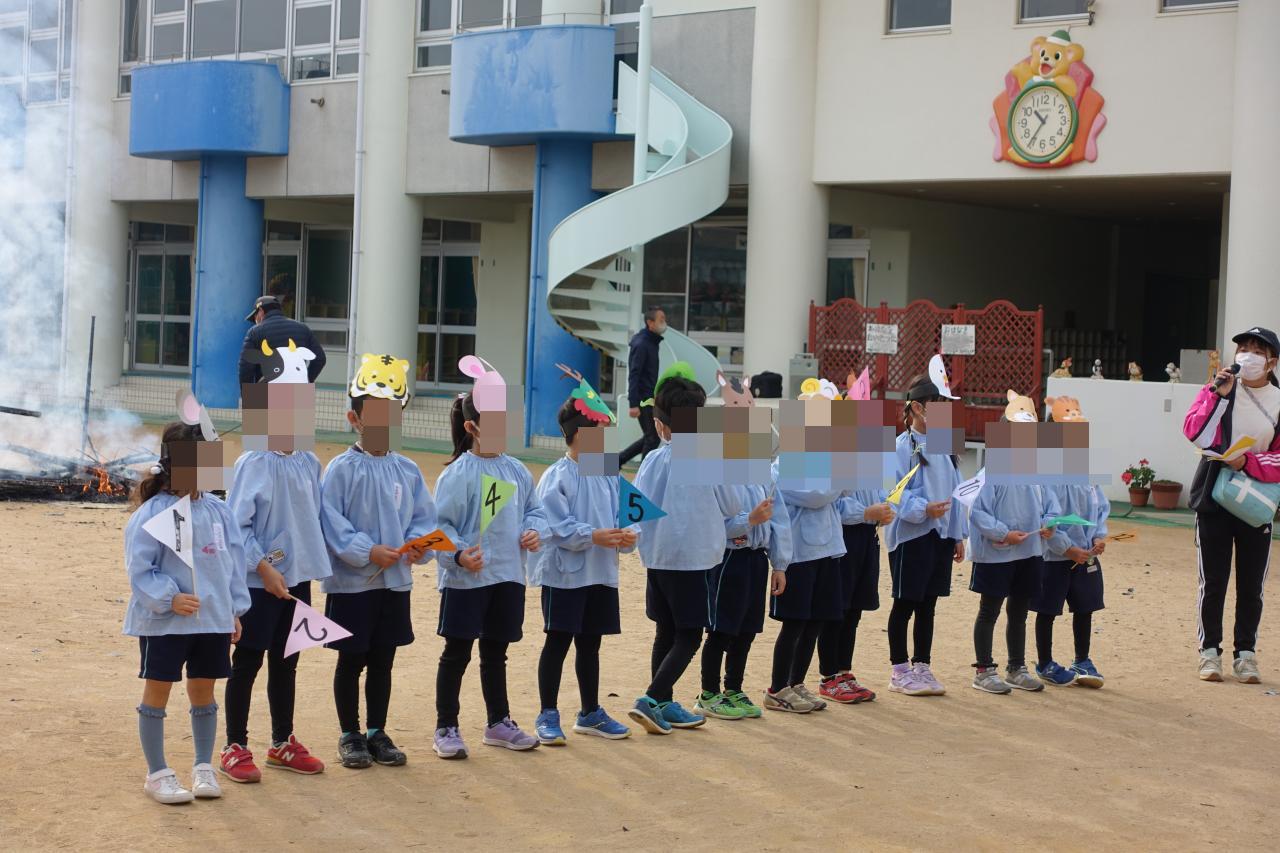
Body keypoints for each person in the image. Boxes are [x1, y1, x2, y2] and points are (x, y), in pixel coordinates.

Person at [124, 422, 250, 804]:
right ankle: (157, 773)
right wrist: (169, 598)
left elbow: (233, 564)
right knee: (158, 690)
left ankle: (203, 766)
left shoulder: (219, 511)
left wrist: (233, 610)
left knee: (203, 690)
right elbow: (139, 568)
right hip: (165, 623)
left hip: (212, 621)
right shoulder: (153, 513)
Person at [319, 372, 437, 769]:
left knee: (383, 659)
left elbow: (424, 518)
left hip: (395, 583)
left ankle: (376, 732)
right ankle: (349, 733)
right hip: (353, 584)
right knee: (351, 659)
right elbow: (331, 522)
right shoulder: (340, 469)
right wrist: (367, 550)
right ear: (355, 419)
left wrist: (418, 545)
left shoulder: (408, 469)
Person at [220, 390, 330, 783]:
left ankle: (282, 742)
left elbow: (314, 518)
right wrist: (262, 567)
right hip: (258, 583)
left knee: (287, 661)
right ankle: (234, 745)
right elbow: (236, 526)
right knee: (248, 661)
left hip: (296, 579)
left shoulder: (309, 462)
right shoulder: (253, 462)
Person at [432, 392, 549, 758]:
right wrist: (458, 555)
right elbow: (439, 527)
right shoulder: (456, 474)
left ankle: (498, 722)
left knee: (496, 652)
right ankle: (446, 726)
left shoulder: (517, 470)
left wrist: (534, 530)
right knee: (457, 652)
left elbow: (534, 510)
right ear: (472, 427)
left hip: (507, 574)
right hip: (467, 580)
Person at [627, 363, 728, 734]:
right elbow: (732, 503)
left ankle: (664, 703)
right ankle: (653, 698)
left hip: (659, 558)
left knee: (665, 632)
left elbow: (634, 506)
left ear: (660, 425)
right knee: (689, 635)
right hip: (695, 560)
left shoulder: (654, 458)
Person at [530, 399, 637, 744]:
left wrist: (628, 534)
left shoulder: (608, 472)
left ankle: (590, 712)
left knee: (591, 644)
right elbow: (555, 527)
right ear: (579, 434)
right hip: (566, 575)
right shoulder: (557, 476)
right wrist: (593, 536)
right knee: (558, 640)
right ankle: (547, 713)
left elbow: (629, 513)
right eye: (601, 430)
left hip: (600, 572)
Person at [1185, 326, 1280, 684]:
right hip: (1214, 497)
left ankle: (1246, 655)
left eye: (1257, 350)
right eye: (1243, 348)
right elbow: (1196, 433)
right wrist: (1219, 396)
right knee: (1213, 581)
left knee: (1251, 585)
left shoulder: (1278, 401)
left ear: (1272, 361)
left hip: (1256, 502)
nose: (1247, 355)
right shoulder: (1217, 389)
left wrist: (1247, 462)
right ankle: (1209, 652)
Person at [883, 373, 968, 696]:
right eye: (938, 404)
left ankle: (922, 666)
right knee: (905, 603)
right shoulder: (900, 446)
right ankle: (899, 670)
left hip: (941, 537)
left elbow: (957, 490)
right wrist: (923, 508)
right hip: (911, 537)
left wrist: (957, 534)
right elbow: (893, 492)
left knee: (928, 605)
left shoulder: (947, 444)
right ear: (917, 408)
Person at [696, 477, 790, 720]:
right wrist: (749, 520)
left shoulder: (763, 477)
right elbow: (711, 524)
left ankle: (734, 689)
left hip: (756, 558)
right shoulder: (720, 476)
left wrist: (779, 565)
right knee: (721, 629)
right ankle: (709, 693)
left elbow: (779, 522)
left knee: (747, 630)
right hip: (729, 557)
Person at [967, 483, 1057, 694]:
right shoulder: (989, 477)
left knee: (1019, 613)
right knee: (989, 611)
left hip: (1030, 552)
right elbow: (977, 512)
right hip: (995, 554)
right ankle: (984, 670)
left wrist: (1049, 524)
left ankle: (1016, 668)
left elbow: (1051, 507)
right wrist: (1004, 534)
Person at [816, 489, 894, 704]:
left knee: (854, 610)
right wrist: (866, 512)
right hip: (843, 535)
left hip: (868, 535)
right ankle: (828, 677)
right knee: (836, 610)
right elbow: (832, 502)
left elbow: (882, 493)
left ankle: (843, 672)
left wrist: (886, 510)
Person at [1035, 481, 1110, 688]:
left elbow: (1100, 509)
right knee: (1047, 611)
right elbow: (1046, 519)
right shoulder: (1047, 481)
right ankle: (1045, 663)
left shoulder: (1091, 482)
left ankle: (1082, 661)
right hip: (1054, 558)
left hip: (1086, 555)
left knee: (1085, 607)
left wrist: (1098, 538)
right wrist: (1067, 549)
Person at [238, 295, 327, 385]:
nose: (255, 321)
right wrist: (307, 380)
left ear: (261, 311)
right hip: (298, 390)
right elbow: (320, 359)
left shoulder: (254, 332)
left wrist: (248, 392)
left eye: (255, 316)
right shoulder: (303, 328)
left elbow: (246, 368)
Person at [619, 307, 666, 466]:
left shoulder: (651, 342)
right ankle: (644, 473)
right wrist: (633, 404)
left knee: (651, 436)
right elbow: (634, 374)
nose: (664, 323)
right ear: (650, 323)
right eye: (661, 320)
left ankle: (616, 461)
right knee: (652, 437)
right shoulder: (642, 344)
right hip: (642, 398)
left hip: (649, 397)